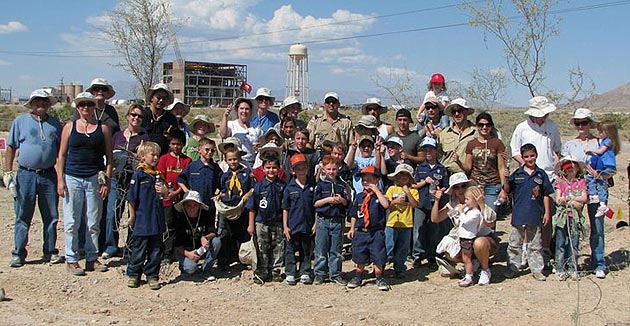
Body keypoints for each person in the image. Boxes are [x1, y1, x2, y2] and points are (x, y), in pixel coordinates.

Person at [57, 92, 113, 276]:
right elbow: (62, 155)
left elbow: (110, 158)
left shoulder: (103, 129)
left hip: (93, 178)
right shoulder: (69, 127)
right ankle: (72, 259)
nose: (85, 108)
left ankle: (91, 257)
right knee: (72, 220)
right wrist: (60, 179)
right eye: (82, 105)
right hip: (72, 177)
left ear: (94, 106)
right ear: (78, 107)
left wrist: (107, 180)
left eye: (89, 104)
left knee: (92, 221)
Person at [5, 89, 63, 267]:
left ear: (49, 104)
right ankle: (18, 253)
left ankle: (50, 251)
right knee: (23, 215)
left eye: (45, 101)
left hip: (48, 175)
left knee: (51, 216)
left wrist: (61, 177)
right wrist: (8, 172)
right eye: (38, 100)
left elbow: (61, 153)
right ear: (31, 103)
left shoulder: (55, 124)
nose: (41, 104)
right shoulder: (20, 121)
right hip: (26, 174)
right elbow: (11, 147)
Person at [560, 108, 608, 278]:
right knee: (573, 226)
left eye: (584, 122)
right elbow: (563, 167)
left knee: (597, 227)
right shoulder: (569, 145)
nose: (581, 126)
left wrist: (600, 175)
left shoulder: (600, 144)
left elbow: (611, 167)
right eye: (578, 123)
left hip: (596, 188)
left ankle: (599, 263)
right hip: (576, 190)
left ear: (590, 124)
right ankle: (570, 263)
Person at [102, 104, 150, 259]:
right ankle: (111, 246)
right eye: (133, 115)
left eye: (140, 116)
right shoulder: (117, 136)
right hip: (116, 178)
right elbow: (109, 155)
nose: (136, 118)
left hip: (133, 181)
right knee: (112, 213)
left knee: (133, 214)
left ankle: (130, 246)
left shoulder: (144, 137)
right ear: (127, 116)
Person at [431, 173, 497, 284]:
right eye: (456, 187)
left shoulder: (478, 201)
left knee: (479, 243)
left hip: (485, 239)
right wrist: (437, 201)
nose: (460, 189)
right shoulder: (453, 204)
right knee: (449, 251)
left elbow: (491, 224)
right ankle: (474, 264)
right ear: (453, 190)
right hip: (466, 240)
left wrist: (481, 204)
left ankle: (485, 270)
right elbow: (435, 219)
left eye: (463, 186)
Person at [502, 144, 553, 281]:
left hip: (535, 214)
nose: (530, 159)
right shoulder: (517, 174)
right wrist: (506, 178)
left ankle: (537, 269)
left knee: (535, 244)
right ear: (522, 158)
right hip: (519, 214)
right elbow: (507, 189)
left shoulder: (541, 174)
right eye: (526, 156)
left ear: (536, 155)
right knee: (514, 243)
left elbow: (547, 194)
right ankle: (513, 267)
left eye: (532, 155)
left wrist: (547, 212)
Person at [126, 142, 168, 290]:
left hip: (156, 219)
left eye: (158, 155)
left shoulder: (158, 175)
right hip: (142, 219)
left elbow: (166, 195)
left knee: (156, 250)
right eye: (152, 155)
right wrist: (131, 216)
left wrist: (164, 190)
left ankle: (152, 275)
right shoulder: (139, 174)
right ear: (143, 157)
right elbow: (131, 197)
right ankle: (134, 274)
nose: (156, 158)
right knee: (139, 248)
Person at [347, 166, 390, 291]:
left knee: (378, 255)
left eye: (369, 180)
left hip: (376, 231)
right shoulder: (359, 197)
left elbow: (386, 205)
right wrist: (352, 228)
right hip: (361, 232)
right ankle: (358, 276)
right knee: (360, 255)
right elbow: (354, 214)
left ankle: (379, 277)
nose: (365, 182)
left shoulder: (380, 196)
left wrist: (377, 191)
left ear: (376, 180)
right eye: (363, 180)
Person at [246, 155, 286, 284]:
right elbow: (252, 207)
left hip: (278, 221)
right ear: (262, 169)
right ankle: (262, 272)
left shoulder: (282, 186)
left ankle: (275, 271)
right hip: (261, 221)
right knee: (262, 247)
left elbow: (286, 207)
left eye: (274, 168)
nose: (271, 170)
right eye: (268, 168)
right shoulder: (259, 186)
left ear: (279, 169)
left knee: (278, 247)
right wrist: (251, 225)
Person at [313, 155, 351, 286]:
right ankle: (320, 273)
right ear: (323, 169)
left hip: (337, 220)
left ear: (338, 169)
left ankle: (335, 273)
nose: (331, 172)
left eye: (334, 169)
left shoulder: (342, 185)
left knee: (336, 250)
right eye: (328, 169)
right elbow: (315, 203)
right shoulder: (320, 185)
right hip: (323, 220)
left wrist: (341, 200)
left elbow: (347, 203)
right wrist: (328, 200)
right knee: (321, 249)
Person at [412, 137, 449, 267]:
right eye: (425, 150)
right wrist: (425, 182)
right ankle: (417, 255)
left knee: (434, 230)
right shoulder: (420, 168)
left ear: (436, 151)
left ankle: (432, 255)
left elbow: (446, 186)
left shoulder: (442, 168)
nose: (428, 152)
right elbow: (414, 185)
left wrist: (440, 190)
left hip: (435, 204)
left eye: (430, 149)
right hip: (421, 202)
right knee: (418, 229)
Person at [460, 112, 507, 213]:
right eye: (481, 125)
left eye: (487, 125)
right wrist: (458, 162)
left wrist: (504, 189)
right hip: (475, 184)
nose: (484, 127)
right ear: (477, 126)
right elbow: (468, 167)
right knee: (474, 215)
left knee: (489, 215)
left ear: (491, 126)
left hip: (492, 186)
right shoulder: (471, 144)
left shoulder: (497, 143)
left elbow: (501, 167)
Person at [157, 129, 192, 264]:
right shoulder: (164, 159)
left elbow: (186, 180)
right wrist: (167, 193)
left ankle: (179, 250)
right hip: (167, 199)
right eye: (173, 144)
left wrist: (176, 193)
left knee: (180, 225)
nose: (176, 147)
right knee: (168, 225)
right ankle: (166, 252)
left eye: (179, 144)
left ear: (183, 144)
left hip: (181, 198)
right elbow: (160, 177)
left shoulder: (186, 160)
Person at [216, 146, 254, 270]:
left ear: (239, 159)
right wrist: (219, 195)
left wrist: (248, 194)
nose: (233, 162)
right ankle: (224, 260)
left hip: (241, 207)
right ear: (226, 161)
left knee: (242, 233)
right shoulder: (224, 176)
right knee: (225, 233)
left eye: (235, 159)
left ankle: (243, 258)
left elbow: (253, 187)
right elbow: (223, 190)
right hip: (228, 207)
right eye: (230, 160)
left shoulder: (246, 173)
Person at [282, 154, 316, 285]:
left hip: (307, 225)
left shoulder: (312, 187)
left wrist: (315, 223)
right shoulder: (289, 188)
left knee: (306, 250)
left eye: (303, 168)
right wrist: (285, 226)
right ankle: (290, 272)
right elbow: (285, 208)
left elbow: (315, 207)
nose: (301, 171)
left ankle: (305, 271)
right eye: (298, 169)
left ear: (307, 169)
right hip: (293, 225)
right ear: (293, 171)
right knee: (290, 250)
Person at [173, 190, 221, 280]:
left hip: (201, 249)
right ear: (184, 206)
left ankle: (206, 270)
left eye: (195, 205)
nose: (192, 209)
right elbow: (176, 244)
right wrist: (188, 254)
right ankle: (184, 266)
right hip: (184, 250)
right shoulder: (179, 219)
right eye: (189, 206)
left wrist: (205, 237)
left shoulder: (205, 215)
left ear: (199, 206)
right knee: (191, 268)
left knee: (217, 242)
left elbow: (213, 232)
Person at [553, 156, 587, 281]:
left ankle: (573, 268)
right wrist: (572, 201)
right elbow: (558, 199)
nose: (571, 171)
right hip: (563, 216)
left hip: (575, 217)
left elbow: (584, 198)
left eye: (573, 169)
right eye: (568, 169)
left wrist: (569, 200)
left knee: (574, 243)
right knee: (560, 242)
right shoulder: (560, 183)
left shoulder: (580, 182)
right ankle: (560, 268)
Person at [384, 164, 419, 279]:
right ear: (396, 177)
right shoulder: (391, 189)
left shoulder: (413, 191)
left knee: (402, 249)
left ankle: (399, 269)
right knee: (388, 245)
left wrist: (408, 192)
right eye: (400, 175)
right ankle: (381, 266)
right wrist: (395, 201)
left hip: (407, 223)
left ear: (410, 178)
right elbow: (386, 205)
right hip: (392, 223)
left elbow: (415, 205)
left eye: (406, 175)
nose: (403, 177)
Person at [585, 121, 620, 217]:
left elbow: (600, 152)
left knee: (600, 182)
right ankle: (601, 203)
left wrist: (590, 150)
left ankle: (599, 200)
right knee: (599, 182)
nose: (599, 133)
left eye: (601, 131)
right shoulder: (604, 141)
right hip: (604, 165)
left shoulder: (608, 141)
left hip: (607, 166)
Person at [176, 137, 221, 209]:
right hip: (194, 204)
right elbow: (180, 179)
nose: (209, 152)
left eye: (212, 150)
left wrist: (219, 195)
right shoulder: (193, 166)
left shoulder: (215, 168)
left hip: (209, 203)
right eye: (207, 149)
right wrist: (187, 191)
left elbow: (223, 184)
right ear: (199, 150)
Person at [219, 97, 261, 167]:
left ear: (250, 111)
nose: (244, 111)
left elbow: (261, 142)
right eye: (241, 108)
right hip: (236, 163)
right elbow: (223, 135)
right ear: (237, 110)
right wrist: (225, 116)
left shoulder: (256, 127)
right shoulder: (231, 124)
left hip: (253, 162)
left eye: (247, 109)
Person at [438, 98, 476, 174]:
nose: (457, 114)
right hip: (447, 175)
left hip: (467, 175)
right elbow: (439, 154)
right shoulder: (444, 133)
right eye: (453, 111)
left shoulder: (476, 133)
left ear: (466, 112)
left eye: (460, 110)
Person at [456, 187, 484, 287]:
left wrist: (461, 212)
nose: (465, 201)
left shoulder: (476, 213)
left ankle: (469, 276)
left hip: (468, 238)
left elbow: (466, 220)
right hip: (463, 237)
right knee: (465, 258)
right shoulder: (468, 210)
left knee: (467, 259)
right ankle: (468, 274)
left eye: (467, 199)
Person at [142, 83, 177, 155]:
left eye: (164, 99)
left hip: (163, 157)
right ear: (152, 97)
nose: (161, 100)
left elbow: (175, 139)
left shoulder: (171, 118)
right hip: (143, 157)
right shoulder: (142, 114)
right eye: (158, 97)